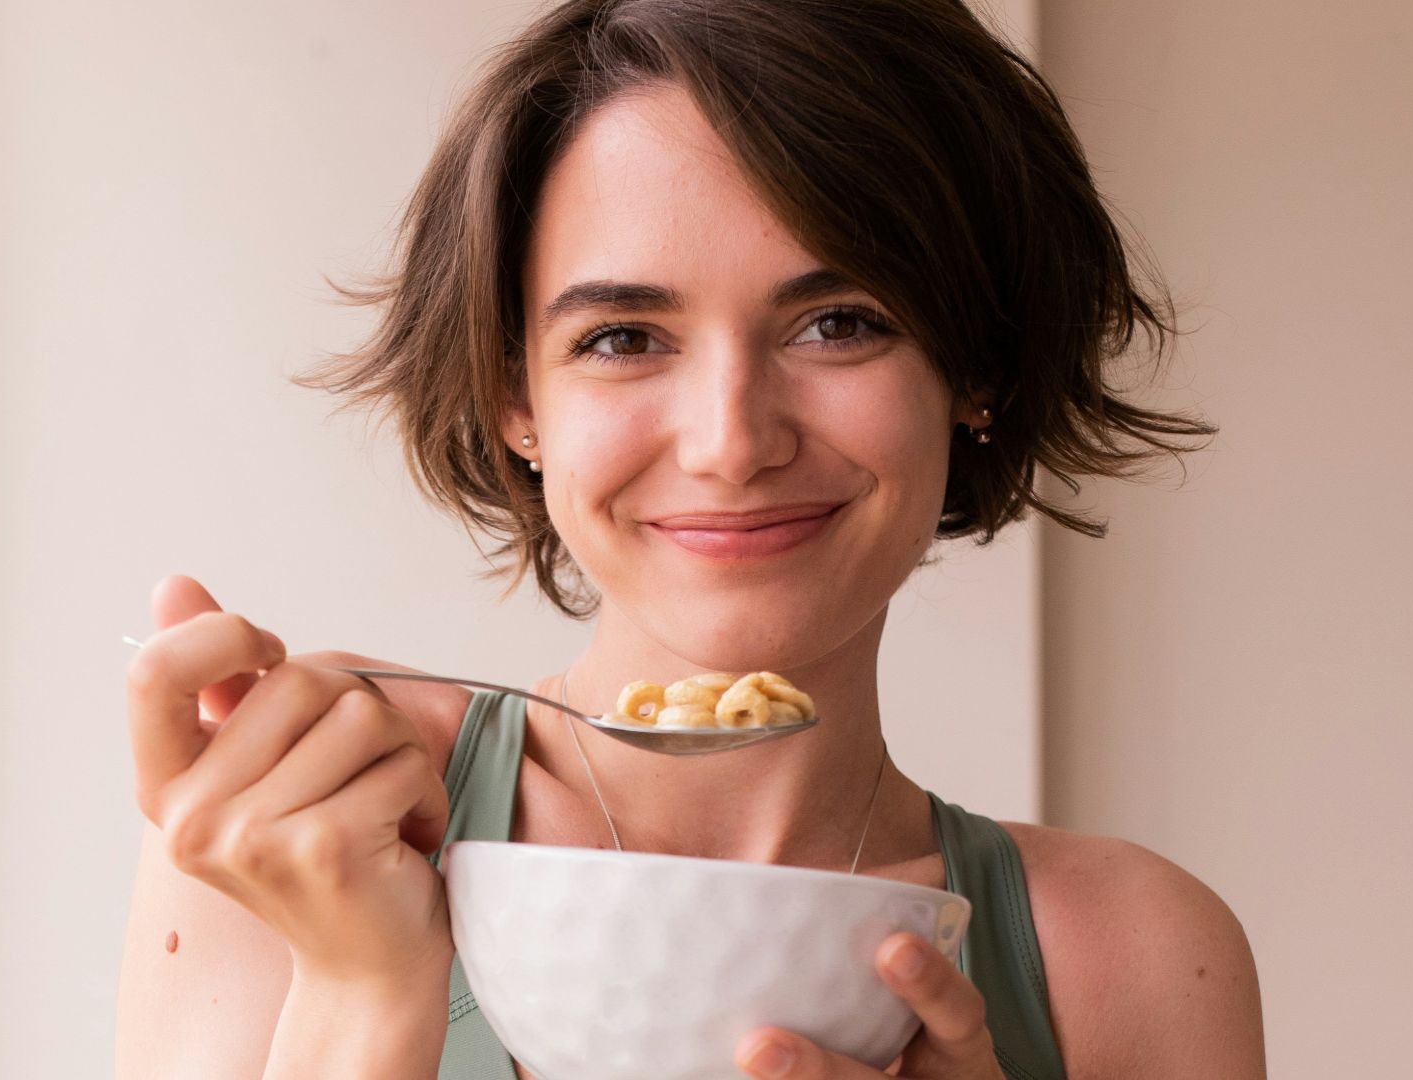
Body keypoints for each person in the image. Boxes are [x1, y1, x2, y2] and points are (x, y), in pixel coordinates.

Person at [114, 0, 1264, 1076]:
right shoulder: (310, 830)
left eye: (838, 323)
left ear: (976, 366)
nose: (730, 442)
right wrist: (366, 989)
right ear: (518, 398)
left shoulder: (1132, 956)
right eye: (622, 338)